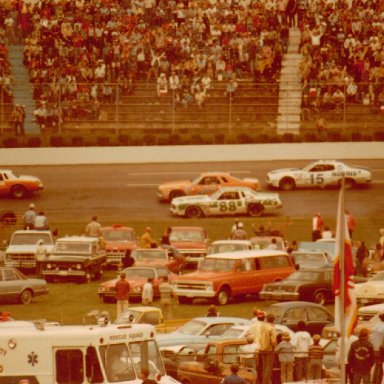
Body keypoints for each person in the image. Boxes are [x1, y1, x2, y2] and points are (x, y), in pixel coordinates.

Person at [258, 313, 277, 384]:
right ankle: (266, 382)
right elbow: (273, 340)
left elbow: (260, 337)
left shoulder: (263, 326)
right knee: (268, 368)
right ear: (273, 320)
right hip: (269, 349)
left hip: (262, 348)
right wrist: (276, 348)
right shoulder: (272, 328)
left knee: (264, 367)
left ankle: (265, 381)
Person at [370, 312, 384, 384]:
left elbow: (371, 338)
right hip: (381, 349)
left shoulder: (375, 327)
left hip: (374, 349)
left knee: (377, 366)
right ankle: (379, 381)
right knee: (381, 367)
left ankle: (374, 381)